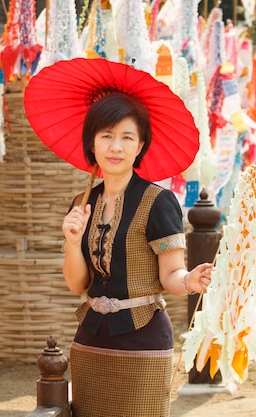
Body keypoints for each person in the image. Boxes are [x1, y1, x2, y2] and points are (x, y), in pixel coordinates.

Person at [61, 92, 213, 417]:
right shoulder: (81, 203)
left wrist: (191, 280)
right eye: (106, 136)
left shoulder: (158, 201)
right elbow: (77, 286)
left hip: (143, 340)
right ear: (92, 143)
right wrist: (72, 243)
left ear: (140, 145)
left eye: (127, 137)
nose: (116, 147)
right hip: (90, 339)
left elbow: (170, 276)